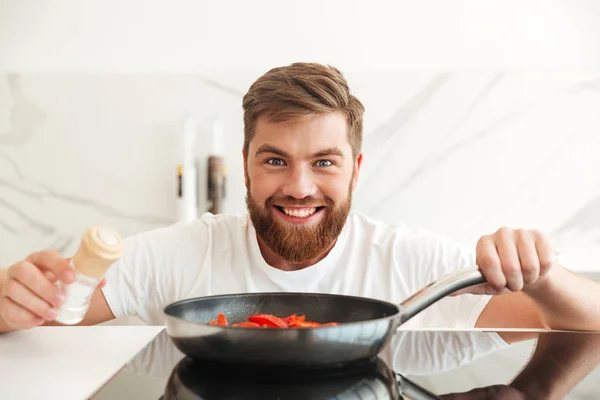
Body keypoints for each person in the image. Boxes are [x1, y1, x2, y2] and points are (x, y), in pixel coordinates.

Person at [1, 63, 599, 346]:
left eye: (325, 162)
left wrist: (542, 273)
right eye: (275, 159)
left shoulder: (410, 262)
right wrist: (12, 302)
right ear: (245, 164)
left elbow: (581, 324)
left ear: (356, 170)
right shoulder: (187, 251)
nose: (300, 186)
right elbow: (63, 315)